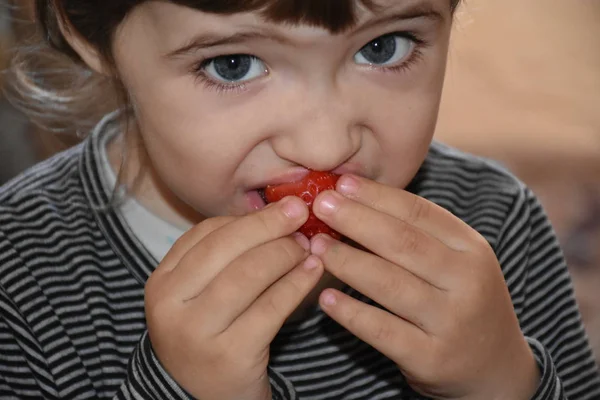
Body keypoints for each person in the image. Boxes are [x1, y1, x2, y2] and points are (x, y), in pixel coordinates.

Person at [1, 0, 599, 399]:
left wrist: (502, 383)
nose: (325, 143)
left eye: (384, 47)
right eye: (233, 65)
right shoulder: (20, 281)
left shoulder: (494, 223)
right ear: (89, 35)